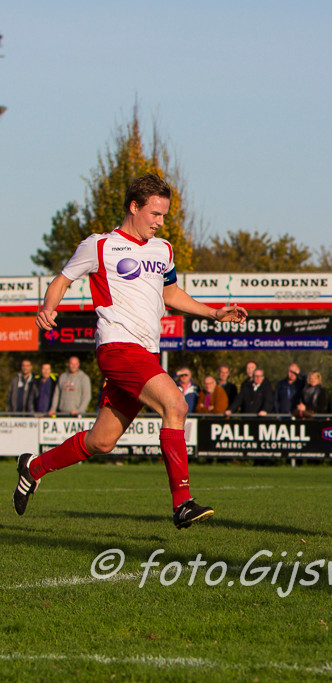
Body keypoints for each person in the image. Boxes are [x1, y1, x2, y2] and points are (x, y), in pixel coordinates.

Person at [14, 173, 248, 528]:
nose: (160, 222)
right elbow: (63, 279)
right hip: (118, 348)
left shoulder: (163, 249)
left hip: (146, 354)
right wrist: (48, 308)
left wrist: (214, 313)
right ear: (133, 207)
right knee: (175, 404)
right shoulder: (99, 245)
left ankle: (33, 467)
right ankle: (182, 503)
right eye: (155, 214)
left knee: (102, 441)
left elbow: (171, 294)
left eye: (164, 215)